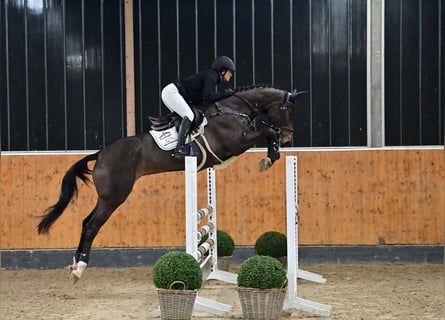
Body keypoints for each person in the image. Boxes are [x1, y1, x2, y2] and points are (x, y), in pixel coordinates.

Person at [161, 56, 236, 159]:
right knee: (189, 115)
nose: (231, 75)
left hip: (173, 93)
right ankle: (179, 148)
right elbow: (207, 97)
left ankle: (178, 143)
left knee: (189, 117)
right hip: (172, 92)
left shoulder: (212, 76)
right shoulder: (212, 76)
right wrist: (224, 94)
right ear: (222, 70)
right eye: (230, 72)